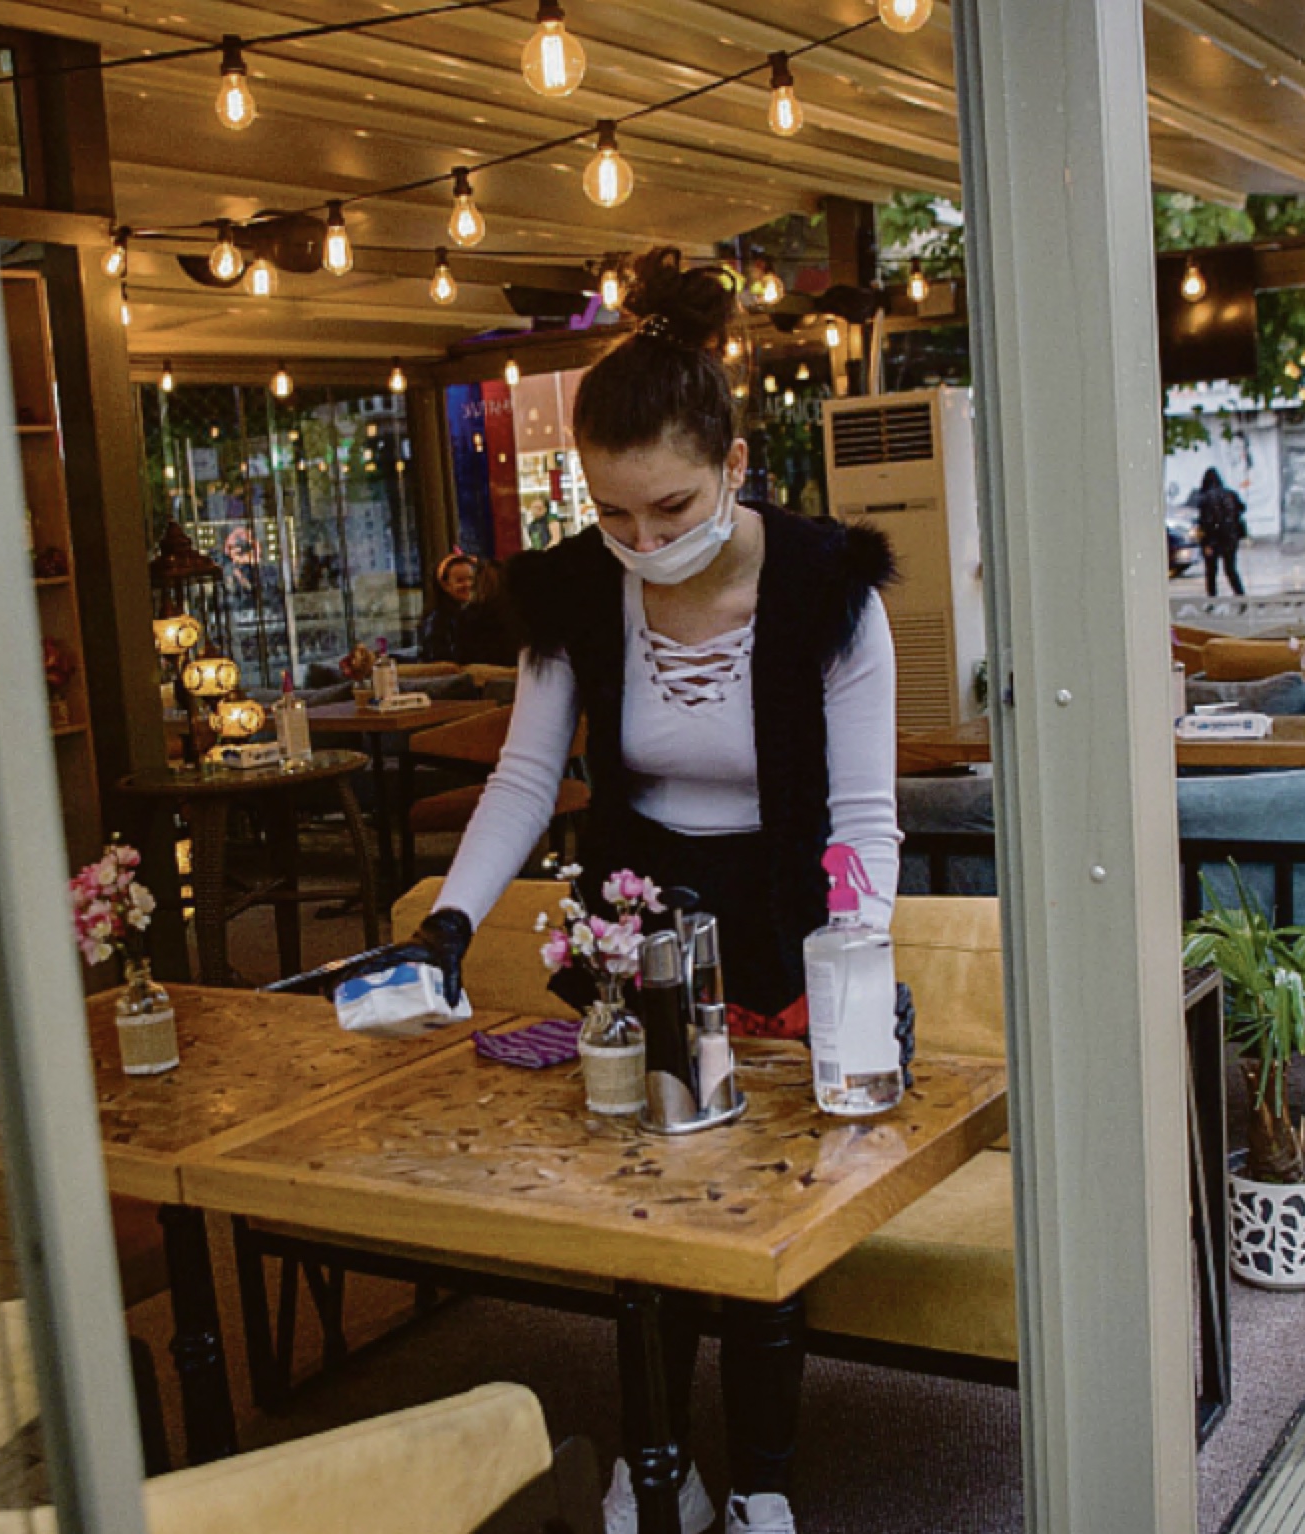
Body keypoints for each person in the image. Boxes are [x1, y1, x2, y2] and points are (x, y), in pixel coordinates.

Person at [368, 249, 901, 1534]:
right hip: (635, 921)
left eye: (669, 508)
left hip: (791, 917)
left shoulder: (831, 591)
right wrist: (447, 924)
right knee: (640, 1207)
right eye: (613, 515)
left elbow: (865, 818)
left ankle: (763, 1478)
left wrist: (852, 968)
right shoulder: (571, 589)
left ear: (730, 462)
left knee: (763, 1222)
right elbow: (522, 777)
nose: (644, 543)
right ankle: (655, 1453)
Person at [416, 550, 517, 666]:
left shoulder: (475, 614)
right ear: (445, 585)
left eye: (471, 579)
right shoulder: (437, 619)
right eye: (460, 580)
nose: (468, 584)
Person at [1193, 467, 1248, 597]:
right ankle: (1240, 596)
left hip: (1213, 540)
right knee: (1230, 569)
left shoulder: (1205, 498)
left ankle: (1212, 599)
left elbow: (1205, 522)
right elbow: (1242, 508)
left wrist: (1206, 542)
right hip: (1230, 538)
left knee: (1211, 571)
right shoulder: (1230, 494)